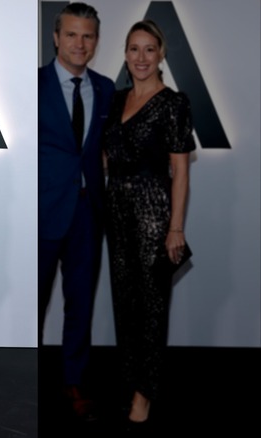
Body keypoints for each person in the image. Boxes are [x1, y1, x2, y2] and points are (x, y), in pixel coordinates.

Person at [101, 20, 194, 432]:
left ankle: (145, 392)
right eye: (134, 49)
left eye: (149, 50)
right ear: (125, 54)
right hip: (116, 212)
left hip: (155, 214)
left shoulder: (174, 103)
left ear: (161, 55)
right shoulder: (117, 99)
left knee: (152, 308)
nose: (141, 57)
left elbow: (181, 170)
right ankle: (130, 382)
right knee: (124, 303)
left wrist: (176, 228)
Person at [38, 2, 114, 422]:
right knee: (37, 303)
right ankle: (27, 378)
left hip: (88, 215)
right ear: (56, 37)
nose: (79, 43)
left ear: (96, 41)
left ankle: (75, 382)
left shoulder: (105, 89)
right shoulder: (35, 84)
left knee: (80, 305)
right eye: (71, 34)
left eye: (87, 36)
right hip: (44, 213)